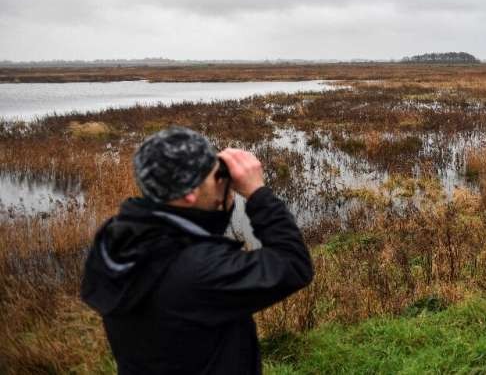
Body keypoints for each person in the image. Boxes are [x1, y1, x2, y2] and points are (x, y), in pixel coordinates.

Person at [81, 126, 313, 375]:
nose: (225, 182)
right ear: (190, 193)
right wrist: (257, 193)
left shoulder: (117, 242)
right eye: (217, 176)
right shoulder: (198, 272)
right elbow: (293, 264)